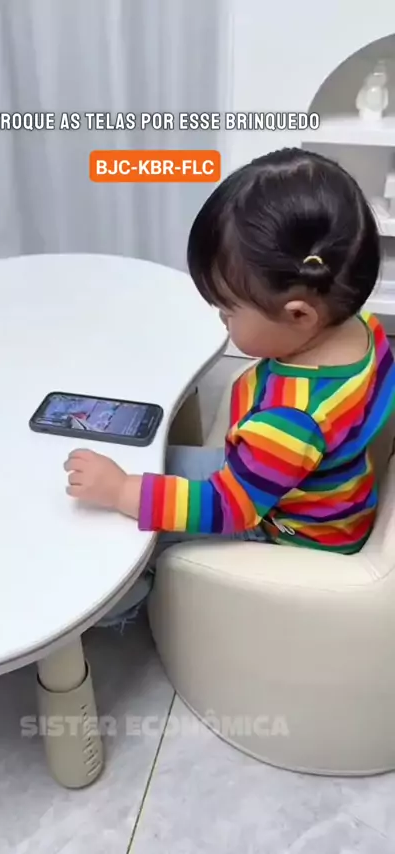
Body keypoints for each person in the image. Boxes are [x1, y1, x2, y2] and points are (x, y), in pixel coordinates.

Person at [64, 147, 395, 628]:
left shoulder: (291, 421)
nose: (220, 319)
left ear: (299, 315)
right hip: (313, 495)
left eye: (227, 311)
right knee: (156, 463)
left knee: (130, 529)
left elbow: (229, 508)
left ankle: (122, 604)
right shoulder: (365, 330)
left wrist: (121, 492)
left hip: (286, 528)